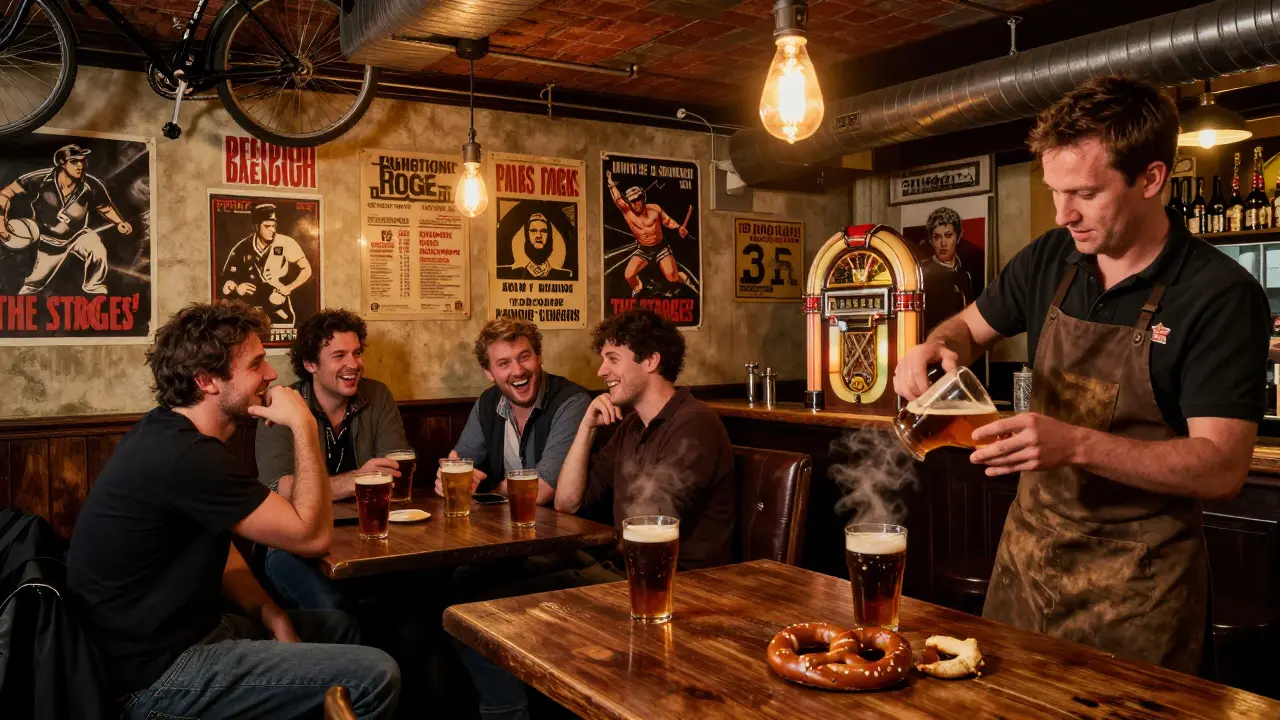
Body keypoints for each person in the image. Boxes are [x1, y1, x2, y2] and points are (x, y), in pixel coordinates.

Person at [894, 76, 1270, 674]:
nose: (1063, 212)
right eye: (1054, 191)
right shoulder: (1051, 256)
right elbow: (965, 328)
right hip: (1026, 565)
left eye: (1085, 193)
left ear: (1151, 179)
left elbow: (1222, 467)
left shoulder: (1219, 296)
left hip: (1139, 592)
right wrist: (932, 347)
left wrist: (1074, 445)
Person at [66, 301, 399, 718]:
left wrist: (270, 611)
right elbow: (312, 538)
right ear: (207, 380)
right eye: (257, 364)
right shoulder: (185, 456)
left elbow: (218, 549)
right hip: (154, 676)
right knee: (376, 673)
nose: (272, 374)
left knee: (340, 627)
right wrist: (304, 425)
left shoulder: (168, 430)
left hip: (193, 634)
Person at [256, 308, 409, 610]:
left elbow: (395, 470)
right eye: (339, 356)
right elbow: (281, 489)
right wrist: (357, 481)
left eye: (356, 353)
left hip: (367, 536)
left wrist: (368, 481)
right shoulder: (282, 405)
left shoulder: (377, 395)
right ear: (310, 364)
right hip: (291, 543)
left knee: (413, 602)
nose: (354, 364)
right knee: (336, 610)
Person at [437, 317, 589, 504]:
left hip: (563, 527)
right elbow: (460, 464)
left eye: (524, 357)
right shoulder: (487, 402)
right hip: (503, 525)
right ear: (489, 373)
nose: (517, 371)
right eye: (504, 364)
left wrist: (488, 487)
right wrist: (449, 479)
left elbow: (541, 491)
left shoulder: (572, 402)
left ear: (539, 356)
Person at [0, 143, 133, 294]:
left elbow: (105, 207)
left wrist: (119, 222)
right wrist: (0, 221)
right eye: (74, 161)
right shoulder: (42, 178)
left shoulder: (91, 185)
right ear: (62, 163)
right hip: (49, 240)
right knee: (33, 285)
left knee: (98, 250)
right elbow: (6, 193)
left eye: (82, 161)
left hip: (78, 235)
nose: (80, 166)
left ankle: (93, 285)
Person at [220, 202, 312, 328]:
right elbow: (225, 284)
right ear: (257, 227)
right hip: (250, 312)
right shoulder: (242, 248)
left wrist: (288, 288)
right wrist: (237, 288)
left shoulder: (286, 243)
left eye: (274, 226)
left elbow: (307, 269)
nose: (272, 230)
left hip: (278, 306)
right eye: (267, 226)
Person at [606, 170, 693, 296]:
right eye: (633, 201)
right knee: (629, 274)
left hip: (660, 247)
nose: (636, 203)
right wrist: (611, 184)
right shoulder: (627, 212)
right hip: (644, 249)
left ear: (643, 198)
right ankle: (638, 288)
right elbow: (618, 199)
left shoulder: (654, 209)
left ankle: (685, 280)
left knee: (672, 277)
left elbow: (667, 221)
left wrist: (679, 228)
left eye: (638, 199)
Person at [920, 206, 974, 332]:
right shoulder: (922, 272)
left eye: (948, 236)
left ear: (959, 236)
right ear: (930, 240)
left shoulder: (965, 275)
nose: (943, 243)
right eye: (937, 237)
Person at [499, 212, 574, 280]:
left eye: (544, 231)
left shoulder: (565, 274)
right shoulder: (504, 272)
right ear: (526, 234)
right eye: (533, 231)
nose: (539, 235)